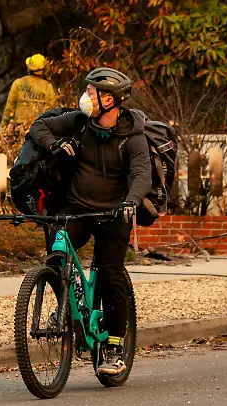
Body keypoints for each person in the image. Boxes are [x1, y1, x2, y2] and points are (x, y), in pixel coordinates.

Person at [28, 67, 150, 376]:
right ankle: (66, 308)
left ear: (109, 100)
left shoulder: (132, 137)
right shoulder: (80, 122)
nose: (85, 97)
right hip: (77, 209)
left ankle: (113, 347)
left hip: (114, 214)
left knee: (111, 274)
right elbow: (39, 126)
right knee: (57, 251)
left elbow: (141, 175)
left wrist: (130, 202)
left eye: (91, 93)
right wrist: (53, 145)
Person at [2, 53, 56, 131]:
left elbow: (9, 108)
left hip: (18, 128)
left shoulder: (18, 83)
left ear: (29, 68)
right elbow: (51, 111)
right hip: (38, 129)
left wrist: (2, 127)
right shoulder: (48, 87)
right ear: (43, 69)